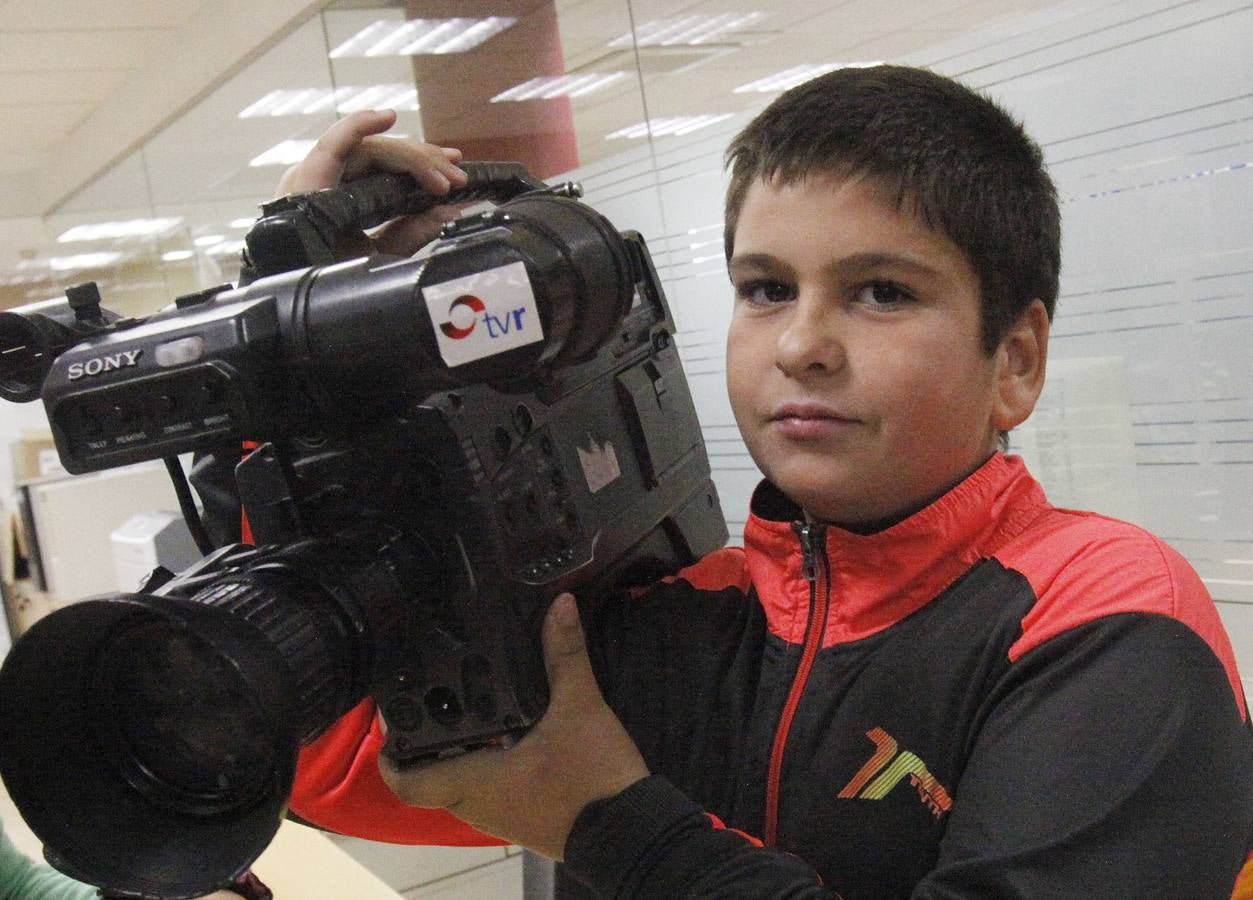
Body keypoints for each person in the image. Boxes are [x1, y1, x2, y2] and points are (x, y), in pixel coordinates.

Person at [233, 69, 1253, 898]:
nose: (801, 344)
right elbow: (320, 753)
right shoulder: (685, 605)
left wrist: (605, 821)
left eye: (881, 292)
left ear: (1015, 362)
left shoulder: (1105, 616)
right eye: (765, 289)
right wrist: (306, 331)